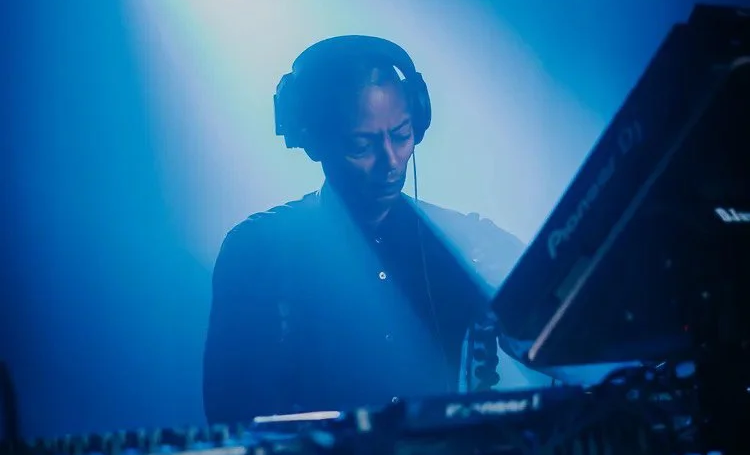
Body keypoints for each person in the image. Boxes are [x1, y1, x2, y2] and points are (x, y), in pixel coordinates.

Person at [203, 36, 529, 426]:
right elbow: (233, 414)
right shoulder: (257, 251)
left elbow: (565, 341)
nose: (390, 161)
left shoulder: (467, 242)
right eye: (361, 145)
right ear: (312, 141)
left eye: (403, 135)